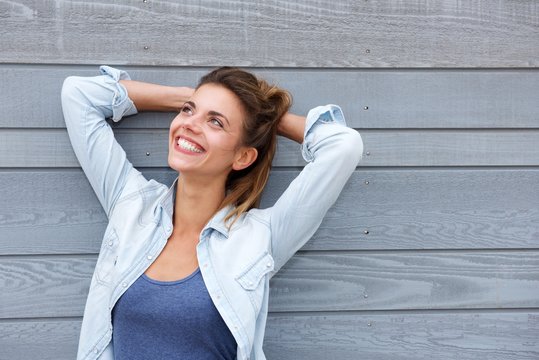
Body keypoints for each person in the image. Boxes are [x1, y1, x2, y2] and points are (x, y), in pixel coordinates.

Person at [61, 65, 363, 360]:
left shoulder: (261, 236)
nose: (190, 124)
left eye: (216, 122)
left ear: (243, 156)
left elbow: (343, 146)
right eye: (188, 111)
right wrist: (189, 98)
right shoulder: (131, 205)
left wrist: (266, 119)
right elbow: (78, 94)